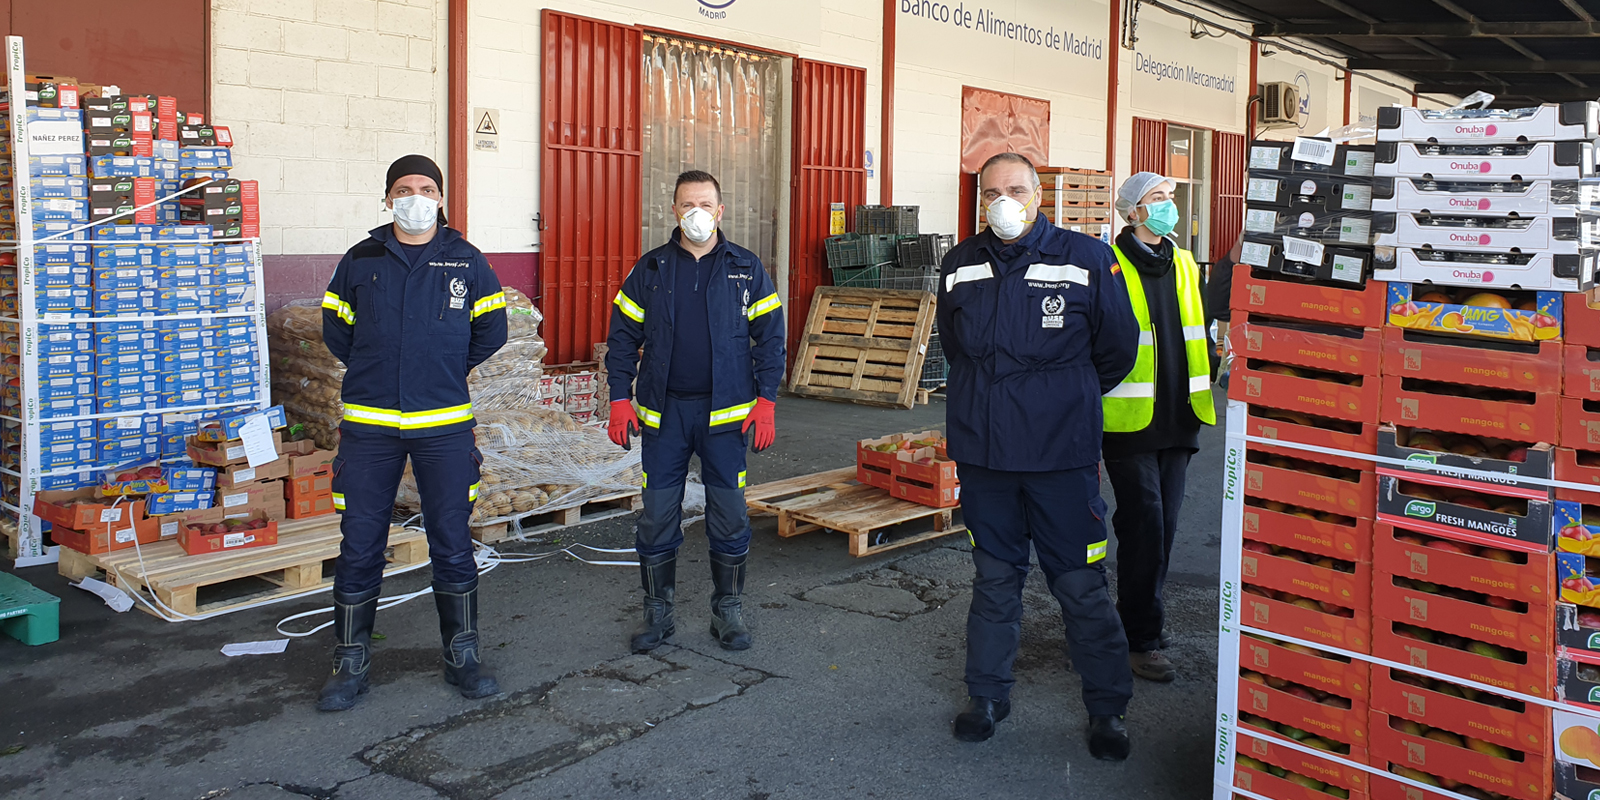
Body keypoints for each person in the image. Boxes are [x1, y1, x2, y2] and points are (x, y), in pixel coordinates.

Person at [938, 152, 1140, 761]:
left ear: (1038, 195)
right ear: (980, 199)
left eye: (1017, 189)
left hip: (1061, 454)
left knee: (1079, 583)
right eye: (993, 191)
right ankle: (987, 694)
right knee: (995, 577)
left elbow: (1118, 349)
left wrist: (1060, 398)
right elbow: (956, 348)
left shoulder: (1087, 258)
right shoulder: (959, 264)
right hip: (985, 454)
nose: (1006, 200)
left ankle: (1107, 708)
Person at [317, 154, 509, 711]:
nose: (416, 197)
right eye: (404, 189)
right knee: (360, 542)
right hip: (370, 427)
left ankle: (462, 656)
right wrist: (380, 367)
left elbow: (490, 329)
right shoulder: (361, 259)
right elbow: (338, 330)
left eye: (427, 188)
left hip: (444, 426)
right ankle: (348, 664)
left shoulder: (467, 260)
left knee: (451, 540)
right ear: (387, 199)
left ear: (442, 199)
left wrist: (442, 368)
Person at [604, 170, 785, 655]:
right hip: (665, 417)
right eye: (687, 205)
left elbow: (771, 338)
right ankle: (657, 613)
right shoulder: (651, 270)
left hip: (726, 421)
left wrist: (766, 400)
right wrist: (619, 398)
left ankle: (728, 610)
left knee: (729, 515)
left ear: (721, 211)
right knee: (658, 515)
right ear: (674, 210)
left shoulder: (746, 268)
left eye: (705, 204)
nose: (697, 213)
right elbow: (622, 338)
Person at [1102, 172, 1218, 684]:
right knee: (1144, 522)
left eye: (1171, 198)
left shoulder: (1185, 262)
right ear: (1132, 212)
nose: (1169, 206)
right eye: (1157, 199)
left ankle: (1144, 615)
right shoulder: (1106, 264)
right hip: (1128, 420)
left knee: (1164, 526)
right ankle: (1139, 638)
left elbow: (1199, 329)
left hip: (1179, 413)